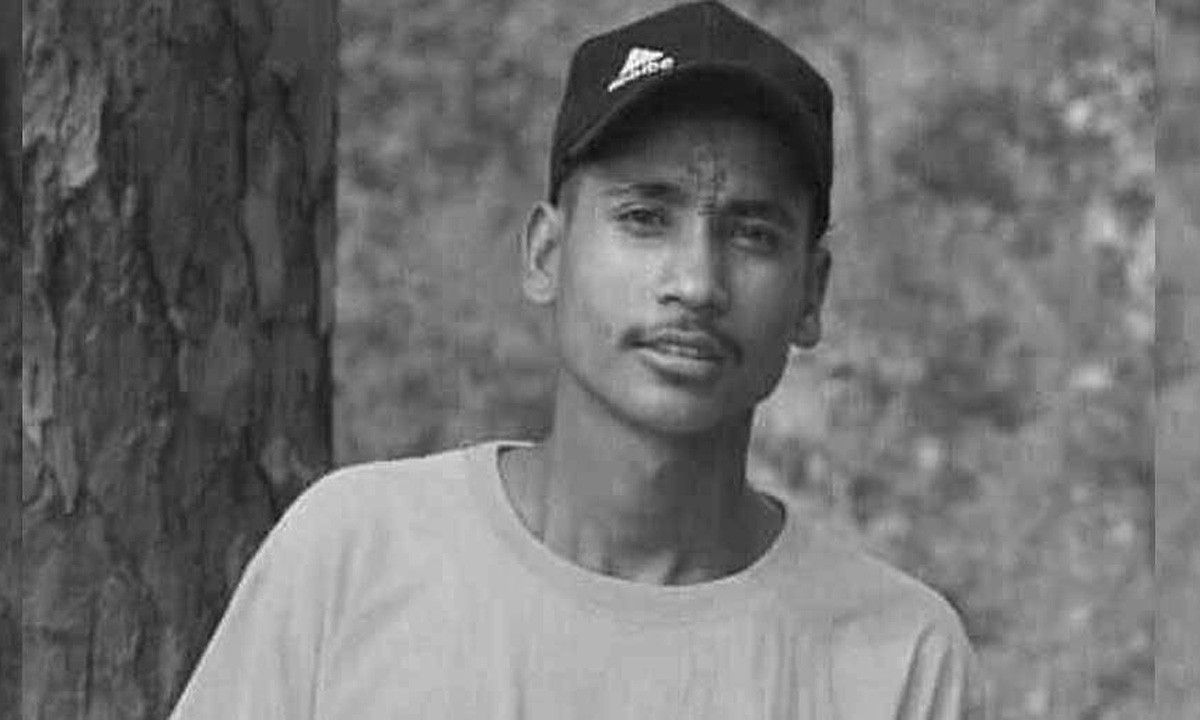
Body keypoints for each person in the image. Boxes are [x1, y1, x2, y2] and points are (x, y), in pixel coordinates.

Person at [170, 2, 987, 718]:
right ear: (546, 255)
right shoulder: (355, 555)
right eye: (644, 217)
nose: (696, 283)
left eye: (752, 234)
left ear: (811, 293)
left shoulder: (898, 660)